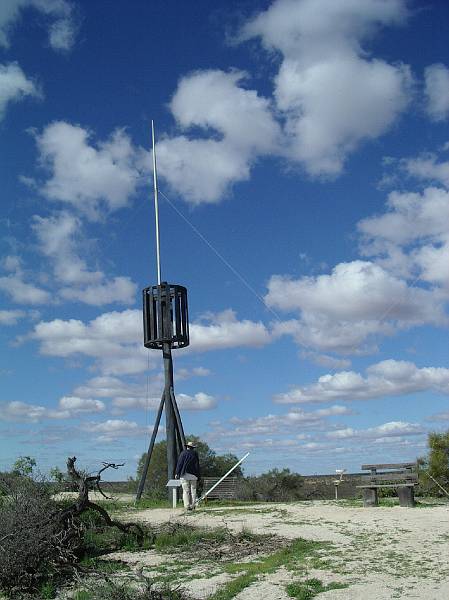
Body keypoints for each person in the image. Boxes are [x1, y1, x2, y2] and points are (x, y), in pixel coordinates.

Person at [175, 441, 200, 510]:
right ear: (193, 448)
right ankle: (193, 505)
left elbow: (180, 464)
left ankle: (187, 506)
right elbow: (197, 465)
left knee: (186, 491)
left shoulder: (183, 453)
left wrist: (177, 473)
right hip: (194, 475)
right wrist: (198, 475)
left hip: (185, 474)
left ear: (187, 447)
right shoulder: (195, 454)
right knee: (193, 491)